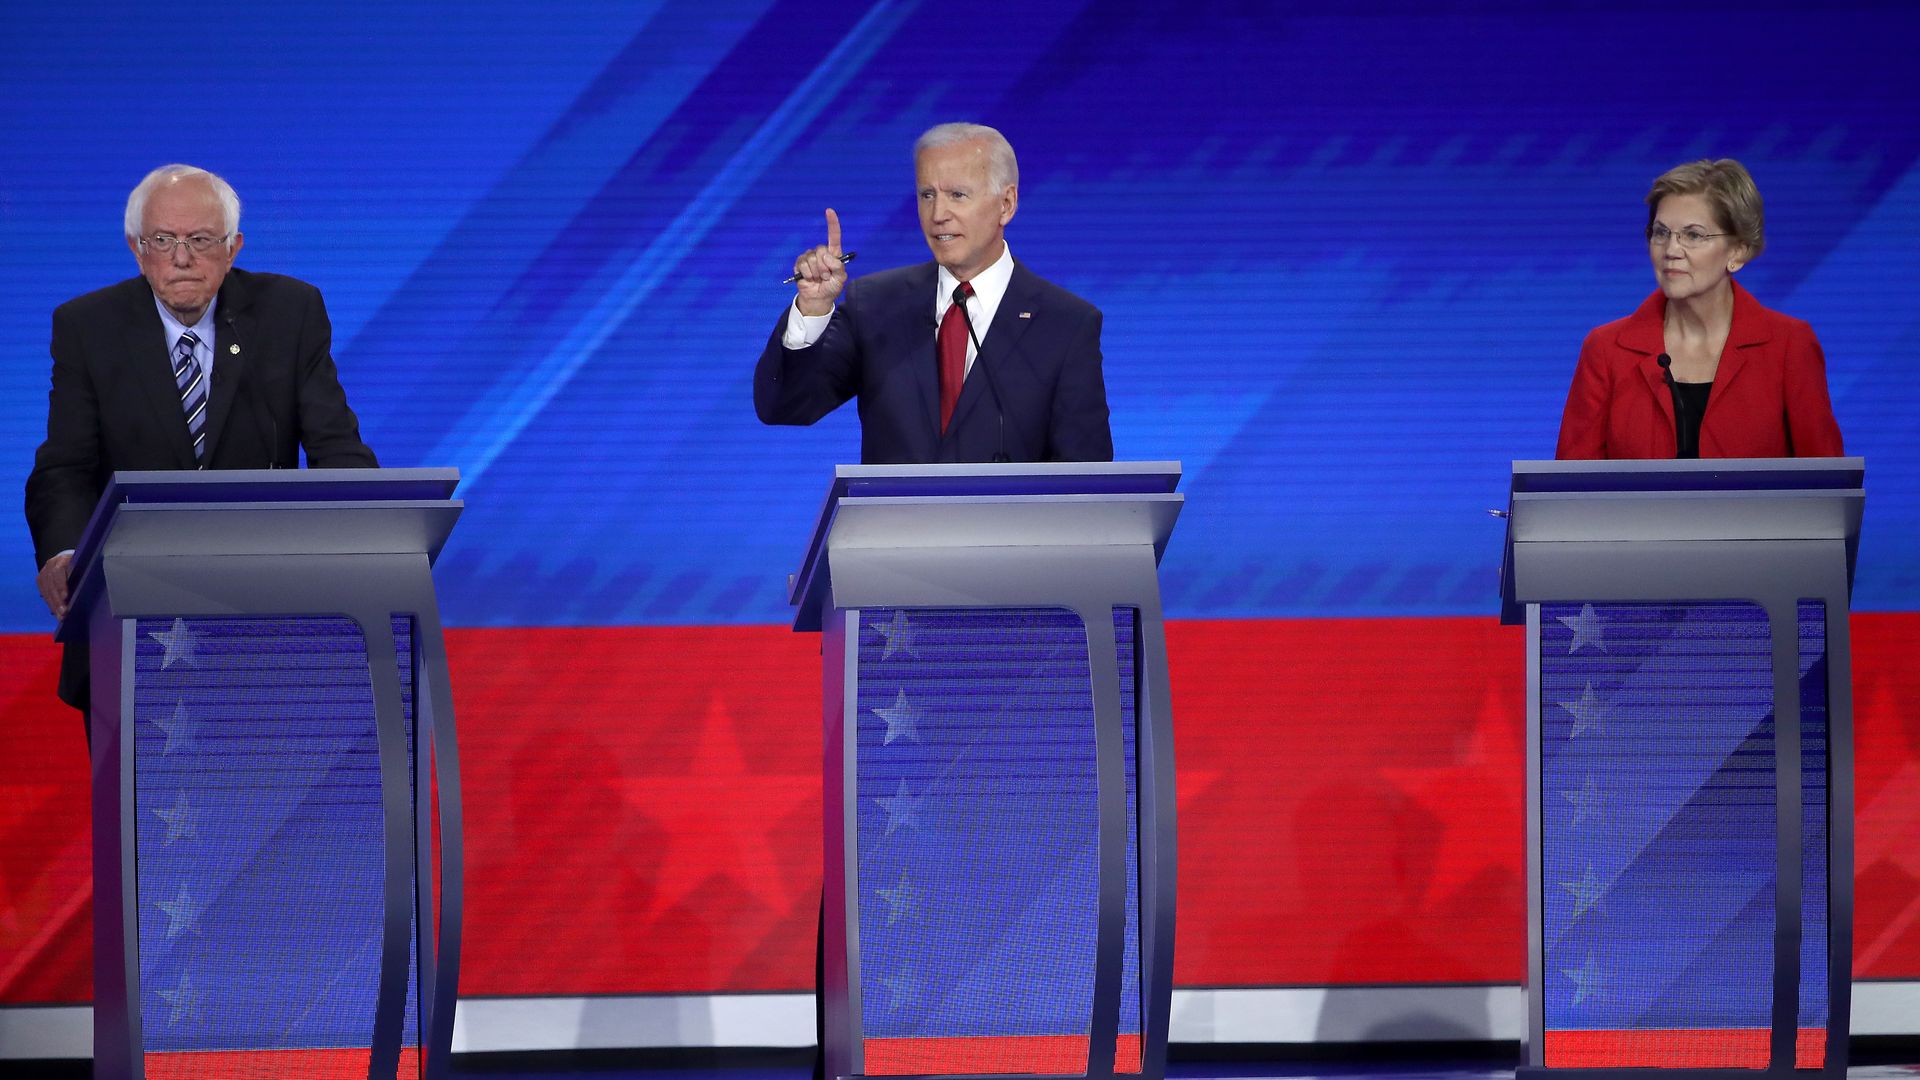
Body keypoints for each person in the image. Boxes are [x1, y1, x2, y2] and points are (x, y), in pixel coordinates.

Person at [24, 164, 378, 713]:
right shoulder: (88, 327)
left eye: (200, 240)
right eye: (162, 240)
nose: (181, 258)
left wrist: (372, 531)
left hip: (265, 616)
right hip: (128, 617)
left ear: (233, 247)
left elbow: (337, 447)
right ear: (136, 248)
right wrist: (64, 552)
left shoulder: (290, 313)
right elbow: (65, 467)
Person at [755, 122, 1113, 463]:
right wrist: (814, 309)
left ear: (1006, 204)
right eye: (927, 195)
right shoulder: (876, 304)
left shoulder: (1066, 324)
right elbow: (786, 406)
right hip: (896, 526)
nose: (938, 214)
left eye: (957, 195)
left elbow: (1086, 478)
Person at [1555, 158, 1843, 459]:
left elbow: (1827, 489)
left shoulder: (1788, 346)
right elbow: (1570, 492)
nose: (1671, 251)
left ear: (1738, 251)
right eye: (1661, 233)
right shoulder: (1606, 350)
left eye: (1693, 235)